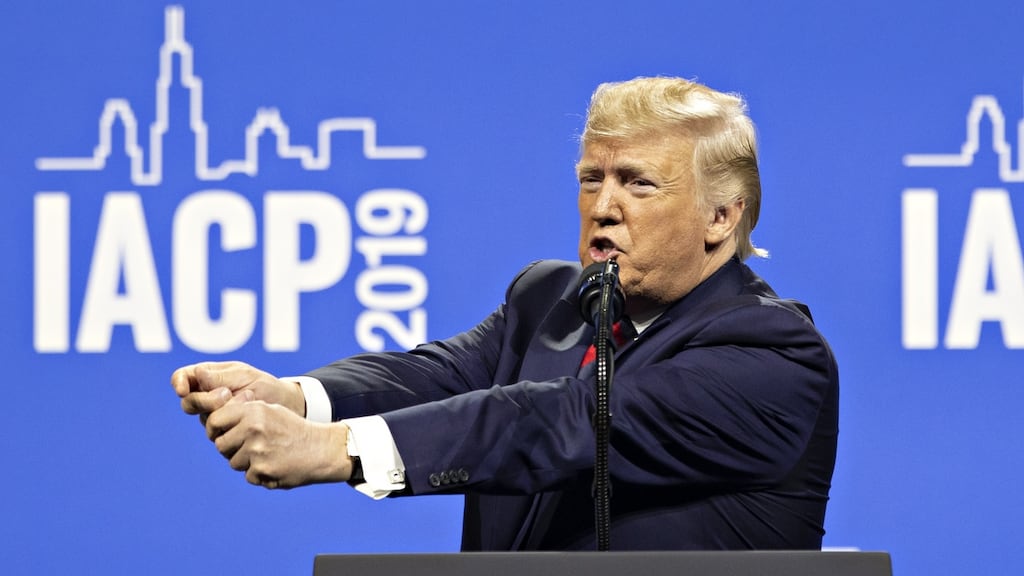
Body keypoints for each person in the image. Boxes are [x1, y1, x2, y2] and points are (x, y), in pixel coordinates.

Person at [173, 76, 839, 551]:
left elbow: (566, 420)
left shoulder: (773, 352)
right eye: (591, 178)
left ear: (721, 218)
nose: (603, 206)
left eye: (638, 182)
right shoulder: (550, 300)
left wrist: (335, 450)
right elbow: (435, 376)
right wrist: (297, 398)